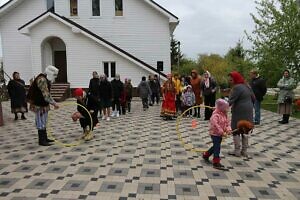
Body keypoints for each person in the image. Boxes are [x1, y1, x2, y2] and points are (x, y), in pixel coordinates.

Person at [27, 65, 59, 146]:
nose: (55, 77)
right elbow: (46, 95)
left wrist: (52, 102)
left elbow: (47, 94)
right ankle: (42, 140)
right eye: (54, 75)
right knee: (40, 121)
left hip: (43, 104)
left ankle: (45, 138)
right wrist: (54, 103)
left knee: (44, 121)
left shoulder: (44, 79)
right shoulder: (42, 80)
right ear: (50, 73)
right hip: (39, 104)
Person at [227, 71, 254, 157]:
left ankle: (237, 151)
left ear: (235, 79)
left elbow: (231, 100)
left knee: (236, 128)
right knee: (245, 128)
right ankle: (244, 151)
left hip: (240, 110)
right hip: (249, 109)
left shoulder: (237, 87)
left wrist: (220, 107)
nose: (230, 81)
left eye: (231, 80)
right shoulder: (247, 86)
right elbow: (254, 98)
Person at [202, 99, 231, 169]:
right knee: (217, 147)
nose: (227, 110)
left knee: (216, 146)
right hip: (214, 133)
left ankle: (206, 154)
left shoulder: (225, 114)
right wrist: (222, 132)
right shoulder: (215, 115)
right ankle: (216, 162)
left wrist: (228, 130)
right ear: (221, 108)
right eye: (226, 108)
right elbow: (216, 125)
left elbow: (227, 123)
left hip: (220, 134)